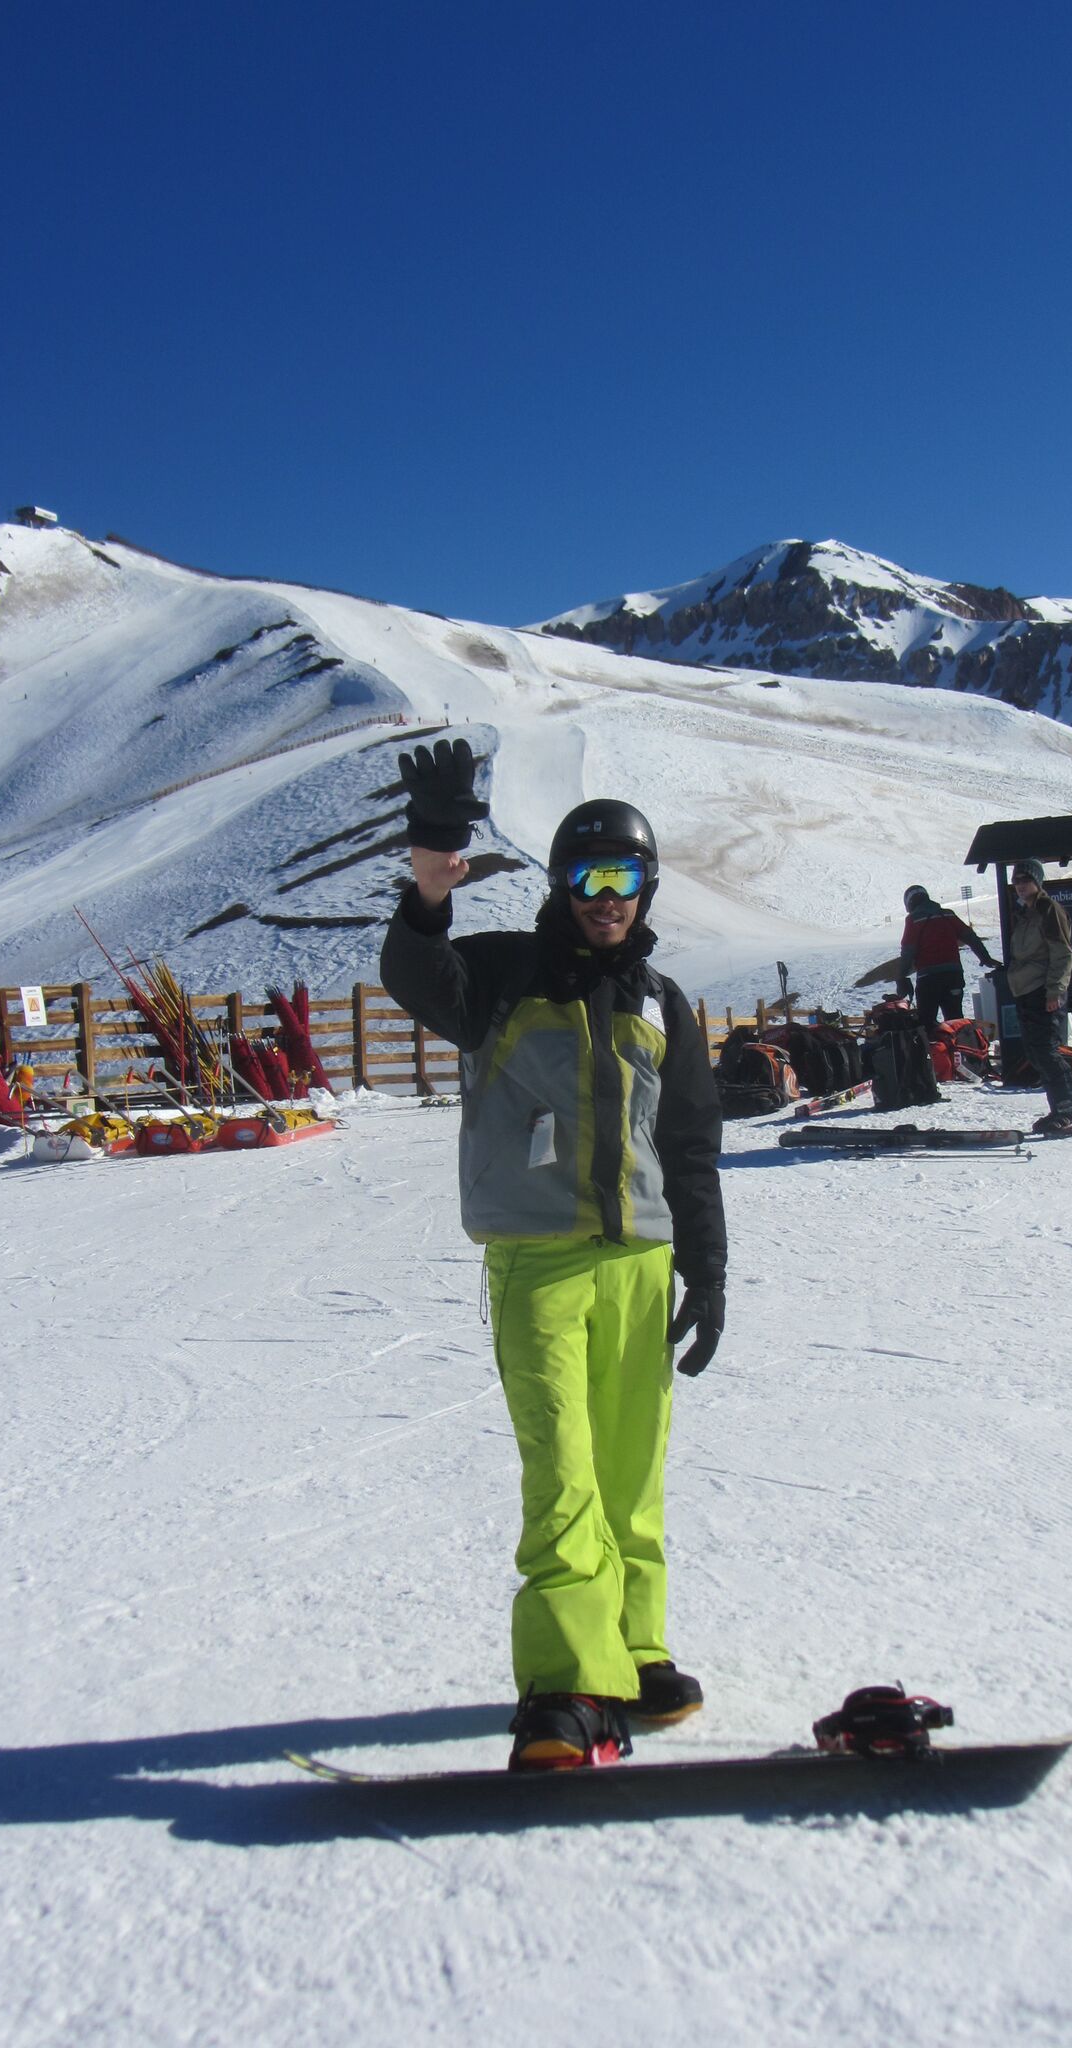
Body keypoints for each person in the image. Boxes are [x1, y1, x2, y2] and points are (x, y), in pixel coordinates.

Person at [379, 739, 727, 1771]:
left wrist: (705, 1271)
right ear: (561, 885)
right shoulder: (502, 974)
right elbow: (415, 973)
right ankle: (568, 1687)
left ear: (645, 886)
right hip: (538, 1263)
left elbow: (691, 1146)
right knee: (565, 1473)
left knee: (632, 1473)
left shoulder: (665, 1003)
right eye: (586, 876)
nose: (605, 896)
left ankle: (634, 1647)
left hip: (639, 1265)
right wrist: (430, 883)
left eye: (623, 877)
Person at [1004, 859, 1072, 1137]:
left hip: (1043, 990)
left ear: (1038, 882)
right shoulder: (1026, 913)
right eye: (1017, 881)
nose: (1021, 886)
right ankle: (1058, 1110)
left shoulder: (1048, 909)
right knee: (1037, 1053)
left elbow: (1063, 953)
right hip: (1027, 990)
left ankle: (1070, 1112)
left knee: (1047, 1052)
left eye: (1026, 880)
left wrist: (1055, 990)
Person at [897, 885, 999, 1031]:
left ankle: (936, 1052)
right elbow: (970, 936)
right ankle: (962, 1051)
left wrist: (902, 977)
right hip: (954, 975)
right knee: (956, 1020)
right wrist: (985, 957)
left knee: (926, 1022)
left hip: (928, 979)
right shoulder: (948, 915)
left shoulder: (913, 920)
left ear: (909, 903)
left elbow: (908, 951)